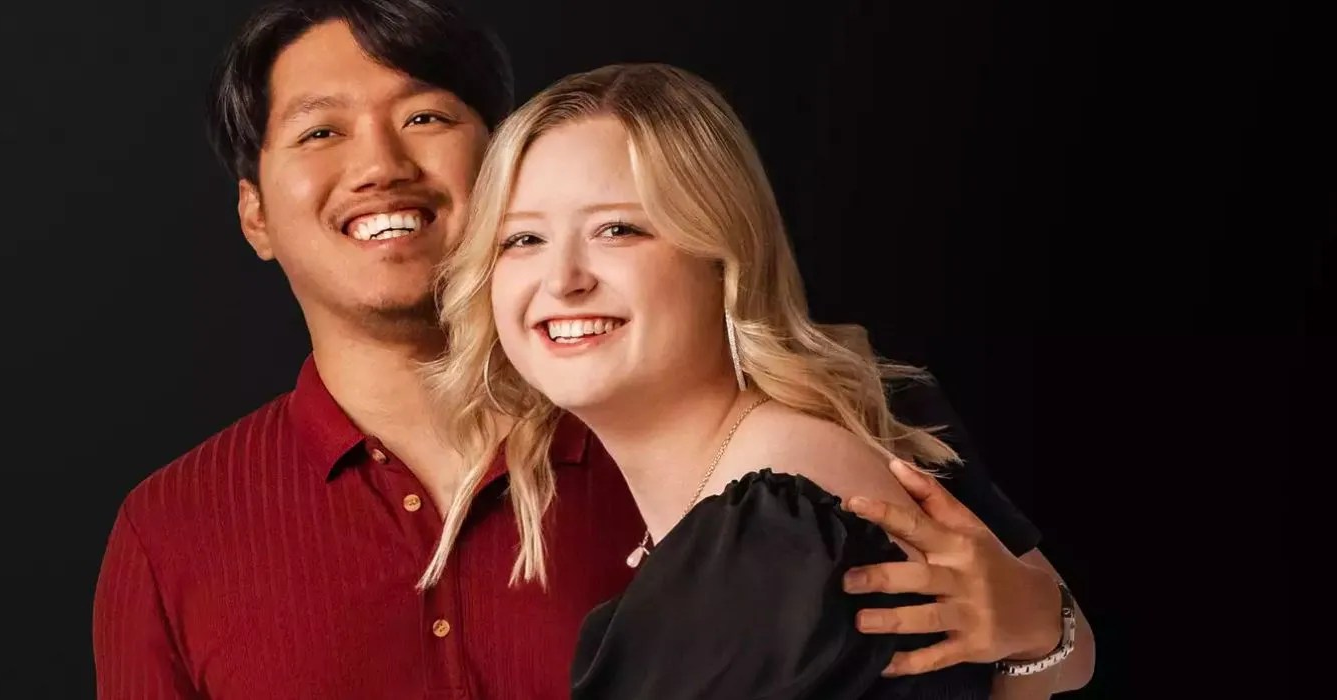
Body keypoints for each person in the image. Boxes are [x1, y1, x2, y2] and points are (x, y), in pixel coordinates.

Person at [91, 1, 1092, 698]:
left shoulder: (719, 425)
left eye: (426, 116)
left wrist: (1041, 628)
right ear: (254, 213)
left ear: (495, 163)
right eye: (320, 133)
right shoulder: (170, 530)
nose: (381, 164)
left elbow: (1036, 642)